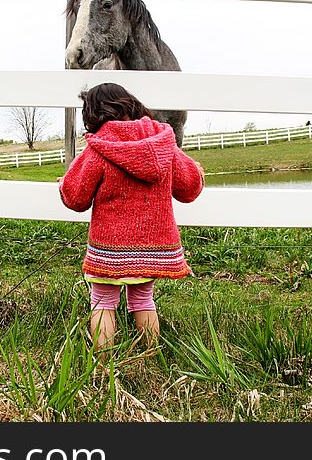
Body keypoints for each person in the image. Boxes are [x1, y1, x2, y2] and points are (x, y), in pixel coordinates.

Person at [58, 83, 204, 354]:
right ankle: (149, 357)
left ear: (93, 115)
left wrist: (63, 183)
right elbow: (189, 188)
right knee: (143, 300)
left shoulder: (99, 148)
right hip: (153, 246)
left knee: (102, 302)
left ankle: (103, 364)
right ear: (130, 104)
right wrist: (197, 171)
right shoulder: (163, 142)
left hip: (110, 247)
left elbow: (75, 197)